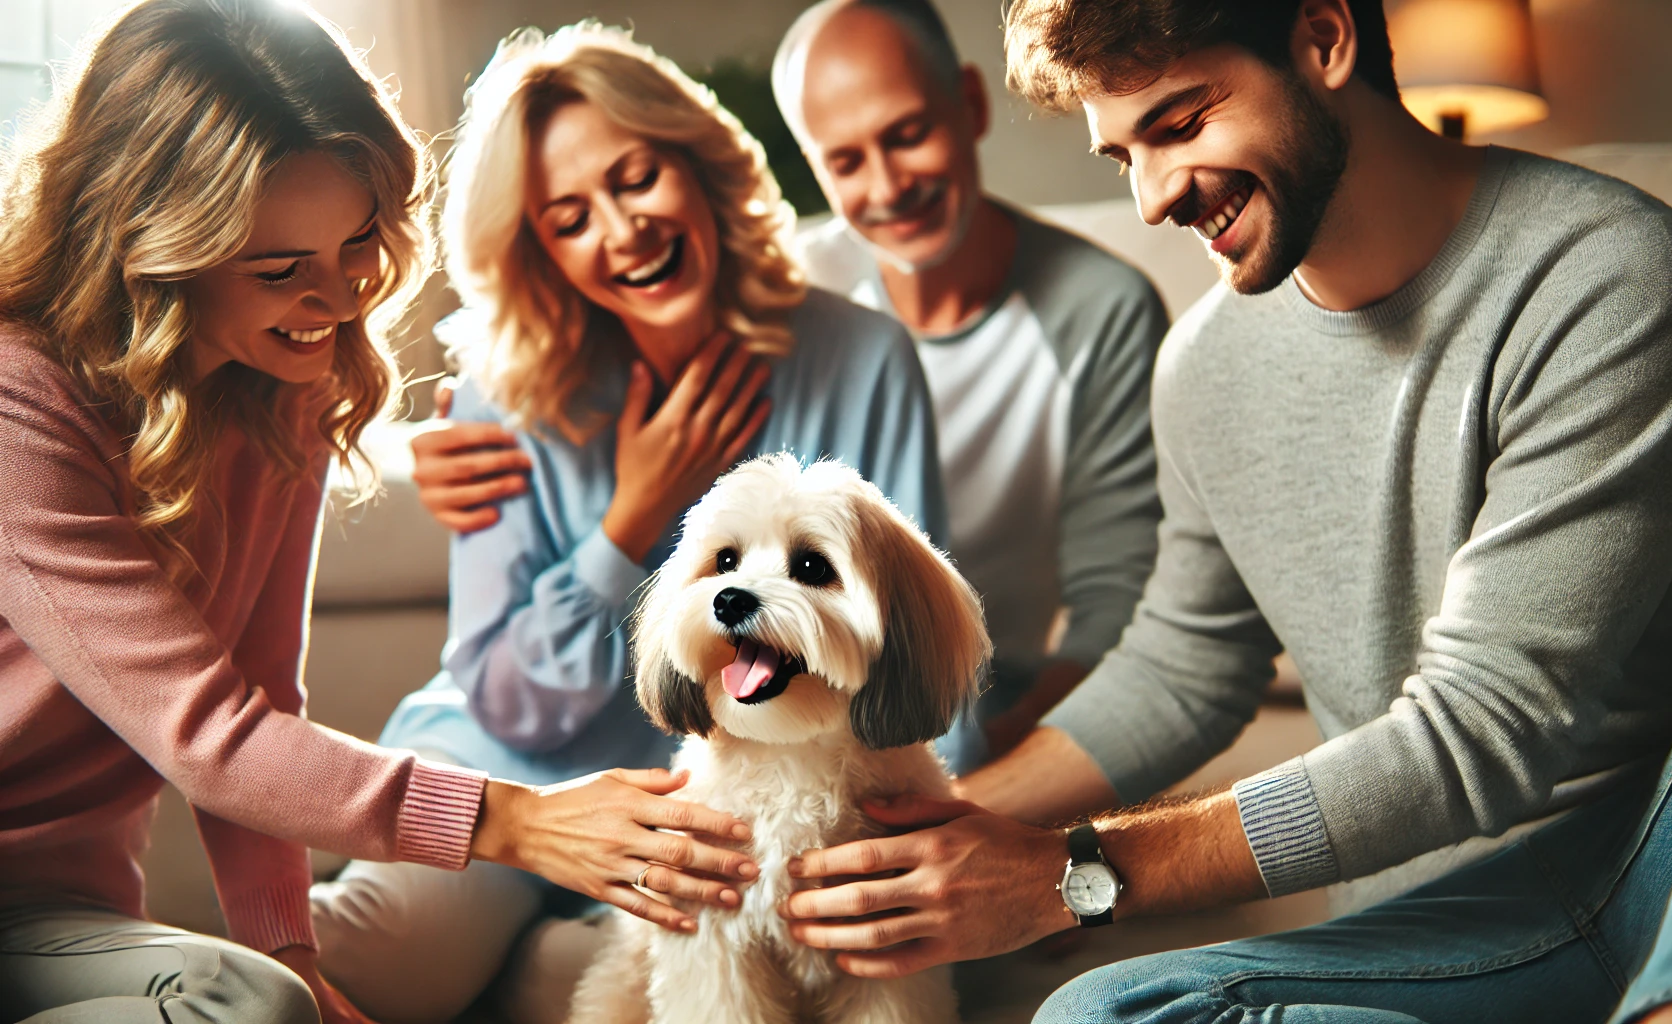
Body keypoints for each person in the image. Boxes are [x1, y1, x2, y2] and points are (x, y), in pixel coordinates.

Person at [772, 2, 1672, 1022]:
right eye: (1123, 157)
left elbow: (1484, 733)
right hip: (1426, 940)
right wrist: (924, 823)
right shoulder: (1203, 370)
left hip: (1667, 880)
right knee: (1093, 1015)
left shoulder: (1609, 273)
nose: (1153, 197)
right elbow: (1183, 667)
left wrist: (1067, 873)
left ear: (1324, 40)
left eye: (1182, 123)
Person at [0, 2, 757, 1022]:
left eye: (357, 241)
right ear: (152, 251)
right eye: (280, 271)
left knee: (260, 1000)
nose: (340, 300)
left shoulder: (284, 384)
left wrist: (293, 956)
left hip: (58, 916)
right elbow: (208, 737)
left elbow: (261, 696)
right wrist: (516, 822)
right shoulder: (21, 401)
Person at [307, 22, 945, 1022]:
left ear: (697, 164)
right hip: (515, 780)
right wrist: (631, 518)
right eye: (568, 217)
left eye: (637, 176)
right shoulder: (497, 397)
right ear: (538, 249)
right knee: (382, 961)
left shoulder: (864, 358)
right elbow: (507, 703)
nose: (621, 229)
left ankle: (555, 958)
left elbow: (909, 642)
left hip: (766, 800)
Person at [412, 0, 1169, 772]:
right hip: (536, 756)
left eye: (907, 134)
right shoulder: (781, 276)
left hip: (850, 732)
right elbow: (504, 692)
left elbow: (1087, 618)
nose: (886, 185)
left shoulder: (873, 339)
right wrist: (476, 455)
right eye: (843, 161)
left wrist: (983, 799)